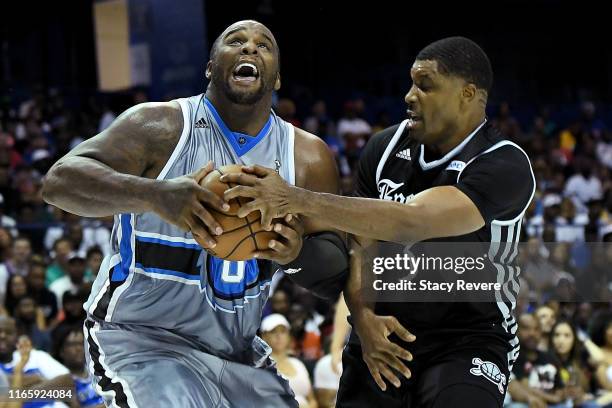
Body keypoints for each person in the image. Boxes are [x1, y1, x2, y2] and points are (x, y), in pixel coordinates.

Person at [41, 20, 348, 407]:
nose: (250, 48)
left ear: (278, 78)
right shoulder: (160, 126)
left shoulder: (307, 158)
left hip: (237, 353)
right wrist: (155, 195)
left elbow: (335, 270)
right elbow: (58, 182)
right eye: (235, 41)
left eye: (263, 45)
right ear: (209, 67)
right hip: (141, 341)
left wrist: (295, 253)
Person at [223, 36, 535, 407]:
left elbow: (413, 221)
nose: (409, 95)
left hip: (467, 337)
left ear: (468, 94)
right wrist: (364, 317)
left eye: (425, 85)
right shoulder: (384, 149)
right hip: (381, 330)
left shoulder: (504, 164)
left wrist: (295, 197)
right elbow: (362, 246)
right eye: (411, 82)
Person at [261, 314, 318, 408]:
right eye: (273, 332)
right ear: (264, 336)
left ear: (288, 336)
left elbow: (312, 399)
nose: (278, 336)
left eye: (283, 331)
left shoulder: (299, 364)